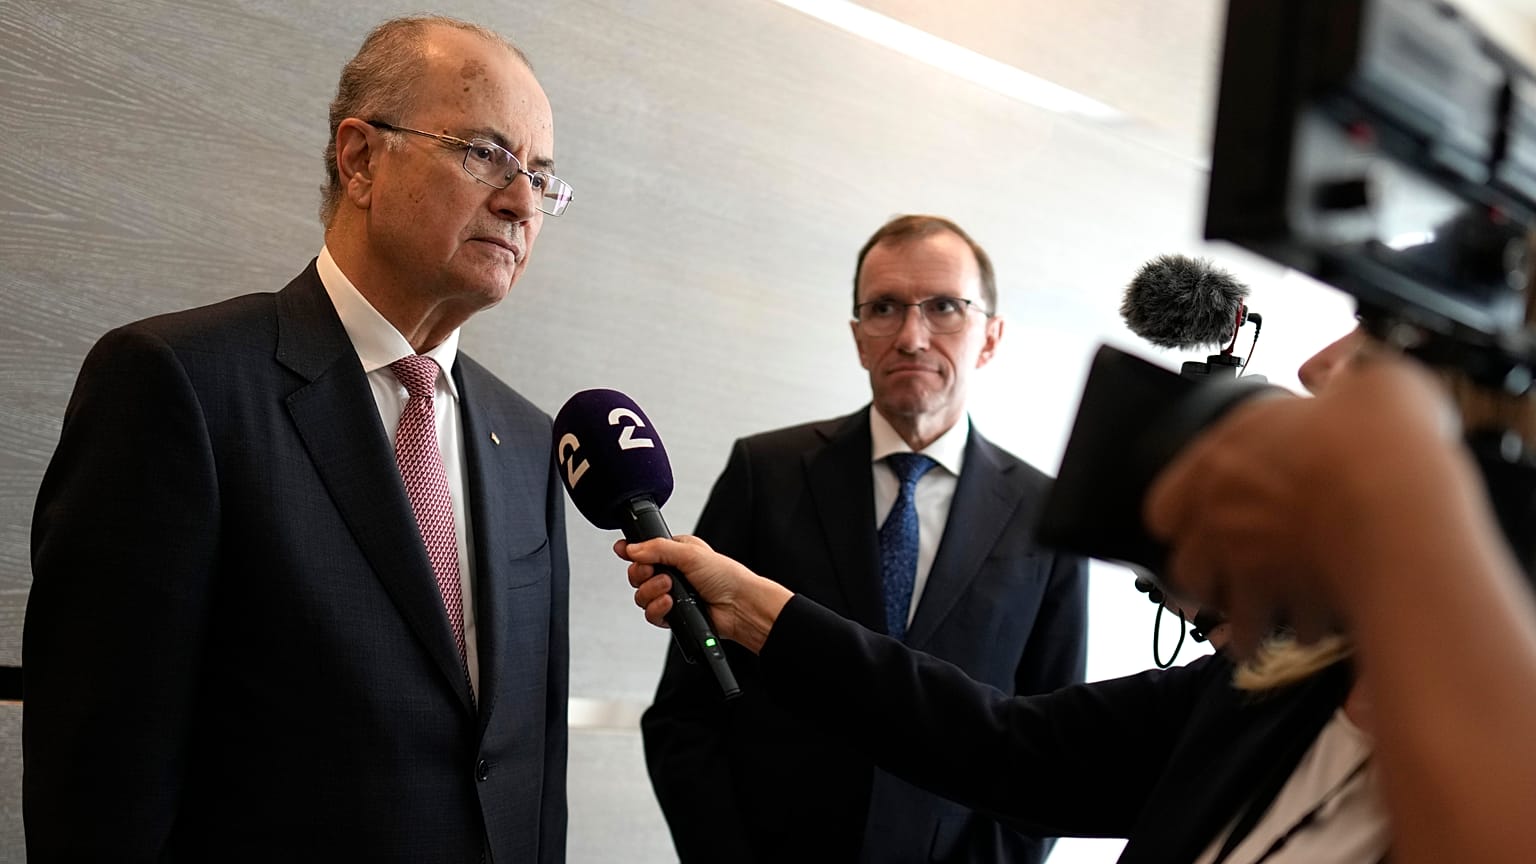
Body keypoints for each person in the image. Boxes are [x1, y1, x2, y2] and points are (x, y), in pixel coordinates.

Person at [619, 327, 1536, 864]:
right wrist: (754, 611)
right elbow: (1005, 744)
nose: (1319, 368)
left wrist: (1400, 518)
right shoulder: (1273, 688)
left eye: (1391, 342)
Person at [24, 16, 572, 862]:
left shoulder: (532, 443)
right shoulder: (180, 386)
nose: (521, 203)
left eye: (540, 176)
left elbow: (529, 774)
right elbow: (98, 788)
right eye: (485, 155)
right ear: (361, 159)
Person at [641, 214, 1089, 862]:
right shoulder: (765, 473)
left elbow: (1050, 751)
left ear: (990, 338)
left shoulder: (1048, 515)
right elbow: (687, 711)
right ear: (857, 337)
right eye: (884, 308)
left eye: (944, 307)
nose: (911, 336)